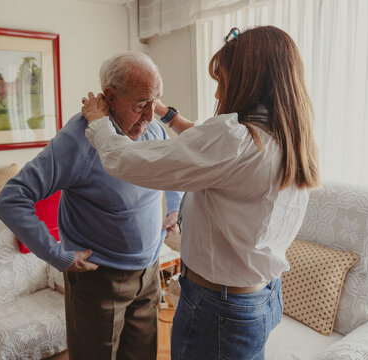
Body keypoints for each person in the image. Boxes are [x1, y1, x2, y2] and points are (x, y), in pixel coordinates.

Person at [81, 26, 320, 360]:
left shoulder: (232, 139)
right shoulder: (288, 134)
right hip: (263, 296)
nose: (219, 88)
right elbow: (215, 151)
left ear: (247, 81)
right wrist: (167, 114)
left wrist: (98, 123)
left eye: (222, 79)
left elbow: (126, 160)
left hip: (221, 310)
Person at [0, 52, 182, 360]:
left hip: (148, 273)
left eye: (155, 101)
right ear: (110, 96)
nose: (150, 115)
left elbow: (174, 168)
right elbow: (12, 198)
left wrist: (174, 207)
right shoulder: (79, 140)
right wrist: (57, 254)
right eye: (140, 103)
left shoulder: (153, 128)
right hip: (100, 279)